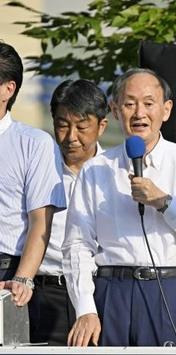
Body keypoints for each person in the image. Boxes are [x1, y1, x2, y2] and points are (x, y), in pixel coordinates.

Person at [62, 68, 176, 347]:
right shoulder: (96, 170)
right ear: (115, 110)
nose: (139, 113)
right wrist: (86, 308)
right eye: (129, 103)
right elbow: (77, 245)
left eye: (149, 103)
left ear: (166, 110)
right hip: (113, 291)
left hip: (171, 289)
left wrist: (164, 203)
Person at [28, 79, 108, 345]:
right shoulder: (38, 171)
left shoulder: (116, 173)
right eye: (62, 125)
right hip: (47, 292)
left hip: (102, 292)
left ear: (102, 126)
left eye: (82, 127)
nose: (71, 137)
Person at [0, 41, 66, 307]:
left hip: (6, 271)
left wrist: (23, 279)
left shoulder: (34, 143)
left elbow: (40, 221)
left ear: (8, 88)